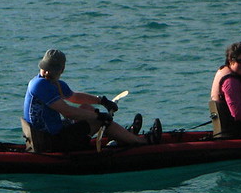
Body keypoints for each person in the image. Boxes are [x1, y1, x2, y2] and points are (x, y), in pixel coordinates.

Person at [24, 49, 161, 152]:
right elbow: (68, 112)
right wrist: (99, 116)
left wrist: (102, 101)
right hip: (50, 142)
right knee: (100, 121)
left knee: (86, 108)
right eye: (45, 69)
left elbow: (74, 97)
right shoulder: (40, 85)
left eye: (51, 70)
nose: (47, 73)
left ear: (61, 70)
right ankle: (142, 142)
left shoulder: (55, 83)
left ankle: (123, 137)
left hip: (52, 133)